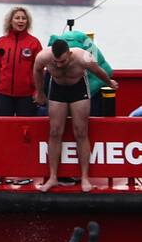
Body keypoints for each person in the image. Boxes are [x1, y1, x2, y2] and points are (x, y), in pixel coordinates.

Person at [32, 39, 118, 193]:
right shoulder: (43, 56)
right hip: (57, 88)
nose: (59, 65)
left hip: (78, 88)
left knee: (81, 132)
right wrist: (40, 92)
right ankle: (53, 177)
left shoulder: (82, 57)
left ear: (70, 54)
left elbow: (98, 71)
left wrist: (109, 82)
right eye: (56, 62)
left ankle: (85, 177)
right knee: (54, 132)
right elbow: (37, 70)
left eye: (63, 61)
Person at [0, 6, 42, 116]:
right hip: (3, 94)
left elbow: (39, 70)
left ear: (27, 22)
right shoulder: (1, 42)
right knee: (1, 127)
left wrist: (38, 91)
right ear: (10, 21)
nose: (20, 21)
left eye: (23, 18)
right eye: (17, 18)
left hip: (26, 95)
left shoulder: (34, 43)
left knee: (25, 128)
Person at [48, 28, 113, 117]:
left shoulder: (85, 54)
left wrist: (108, 83)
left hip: (94, 85)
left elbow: (104, 70)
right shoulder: (53, 53)